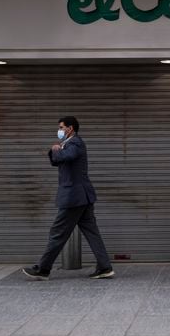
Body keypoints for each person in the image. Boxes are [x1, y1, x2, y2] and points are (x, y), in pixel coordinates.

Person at [22, 116, 115, 280]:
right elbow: (56, 162)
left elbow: (66, 157)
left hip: (74, 197)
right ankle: (105, 267)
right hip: (82, 197)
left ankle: (43, 269)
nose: (59, 130)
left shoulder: (75, 143)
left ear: (70, 128)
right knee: (92, 233)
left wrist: (57, 149)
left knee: (57, 232)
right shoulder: (68, 143)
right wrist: (57, 149)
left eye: (61, 127)